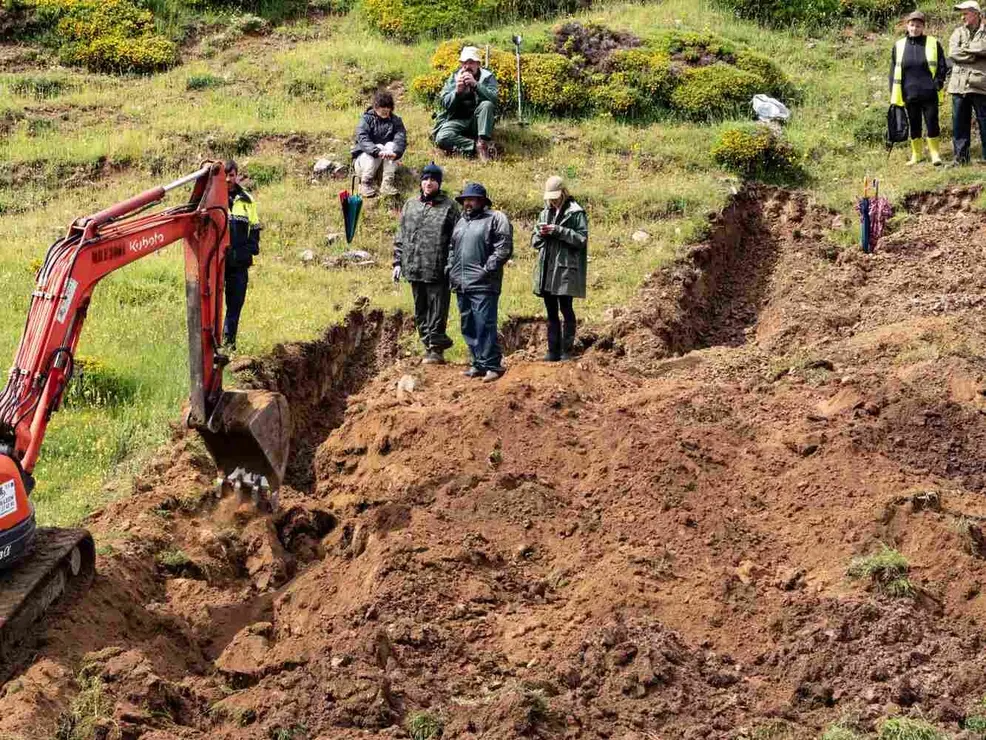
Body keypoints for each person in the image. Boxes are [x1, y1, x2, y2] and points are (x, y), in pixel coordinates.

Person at [393, 163, 460, 364]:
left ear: (439, 183)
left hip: (437, 268)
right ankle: (427, 343)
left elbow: (455, 240)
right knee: (420, 309)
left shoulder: (449, 207)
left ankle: (436, 348)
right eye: (425, 179)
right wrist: (397, 262)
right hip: (413, 266)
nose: (428, 183)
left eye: (433, 180)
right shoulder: (410, 205)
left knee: (437, 309)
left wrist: (450, 265)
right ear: (421, 181)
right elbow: (401, 235)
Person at [447, 183, 513, 382]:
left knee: (485, 323)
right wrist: (450, 268)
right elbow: (452, 248)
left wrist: (487, 269)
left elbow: (503, 247)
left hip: (484, 283)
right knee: (468, 325)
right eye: (465, 199)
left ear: (482, 201)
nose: (468, 203)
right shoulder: (460, 222)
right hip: (461, 283)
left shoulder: (495, 218)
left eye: (472, 199)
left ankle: (493, 365)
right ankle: (477, 363)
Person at [531, 176, 588, 362]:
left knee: (566, 308)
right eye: (550, 197)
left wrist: (559, 231)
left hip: (565, 269)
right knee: (550, 311)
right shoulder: (544, 212)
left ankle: (567, 350)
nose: (553, 200)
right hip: (547, 268)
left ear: (564, 192)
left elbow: (581, 240)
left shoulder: (576, 212)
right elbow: (534, 241)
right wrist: (541, 233)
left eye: (556, 196)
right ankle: (552, 350)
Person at [890, 11, 947, 166]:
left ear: (923, 27)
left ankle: (935, 154)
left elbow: (942, 65)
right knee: (914, 124)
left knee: (932, 123)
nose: (915, 28)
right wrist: (893, 93)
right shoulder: (899, 45)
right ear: (907, 26)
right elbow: (893, 70)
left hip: (929, 92)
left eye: (918, 26)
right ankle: (917, 155)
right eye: (912, 25)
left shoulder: (933, 43)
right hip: (909, 93)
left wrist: (939, 82)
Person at [433, 46, 499, 163]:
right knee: (442, 138)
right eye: (464, 63)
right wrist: (457, 92)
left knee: (487, 104)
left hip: (478, 121)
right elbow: (444, 103)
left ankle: (483, 142)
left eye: (471, 62)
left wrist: (476, 85)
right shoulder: (454, 78)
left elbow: (494, 100)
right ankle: (475, 147)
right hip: (456, 119)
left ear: (478, 64)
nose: (467, 66)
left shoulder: (487, 77)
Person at [223, 160, 261, 350]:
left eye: (231, 175)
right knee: (209, 305)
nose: (228, 179)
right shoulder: (211, 200)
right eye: (225, 175)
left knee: (235, 304)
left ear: (237, 175)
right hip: (216, 263)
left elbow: (254, 235)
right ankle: (209, 345)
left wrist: (240, 254)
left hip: (238, 263)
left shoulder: (247, 200)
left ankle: (228, 345)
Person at [948, 0, 986, 165]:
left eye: (966, 13)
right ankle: (961, 159)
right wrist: (975, 55)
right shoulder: (957, 32)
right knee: (959, 124)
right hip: (958, 85)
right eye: (962, 13)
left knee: (984, 122)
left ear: (976, 14)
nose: (963, 17)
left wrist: (968, 50)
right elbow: (953, 53)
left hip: (980, 85)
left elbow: (984, 48)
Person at [351, 90, 407, 197]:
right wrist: (378, 152)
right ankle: (365, 183)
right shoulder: (366, 120)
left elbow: (400, 139)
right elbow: (363, 139)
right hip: (364, 164)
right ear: (376, 107)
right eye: (383, 107)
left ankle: (387, 184)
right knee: (380, 146)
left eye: (388, 108)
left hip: (385, 165)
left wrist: (395, 153)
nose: (386, 110)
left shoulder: (396, 121)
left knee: (391, 146)